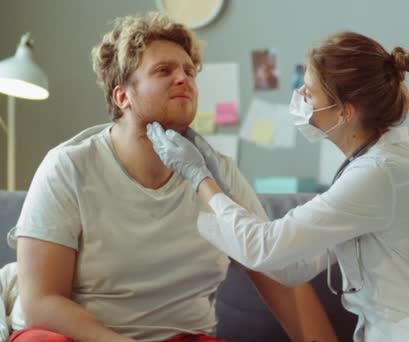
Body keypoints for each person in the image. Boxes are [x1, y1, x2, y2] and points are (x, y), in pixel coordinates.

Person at [6, 13, 337, 342]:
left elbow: (279, 274)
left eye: (189, 71)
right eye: (164, 70)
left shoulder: (218, 173)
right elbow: (41, 302)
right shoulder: (68, 167)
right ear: (123, 96)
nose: (184, 79)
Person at [147, 31, 409, 341]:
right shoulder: (369, 165)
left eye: (309, 91)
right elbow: (290, 267)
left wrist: (198, 177)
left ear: (345, 111)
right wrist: (217, 180)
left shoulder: (380, 173)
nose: (300, 96)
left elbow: (264, 248)